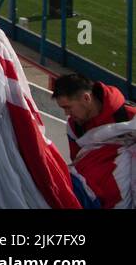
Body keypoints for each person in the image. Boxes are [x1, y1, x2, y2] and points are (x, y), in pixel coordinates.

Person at [52, 72, 135, 208]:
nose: (67, 114)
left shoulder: (130, 116)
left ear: (86, 98)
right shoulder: (74, 127)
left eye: (68, 107)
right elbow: (79, 161)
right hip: (93, 196)